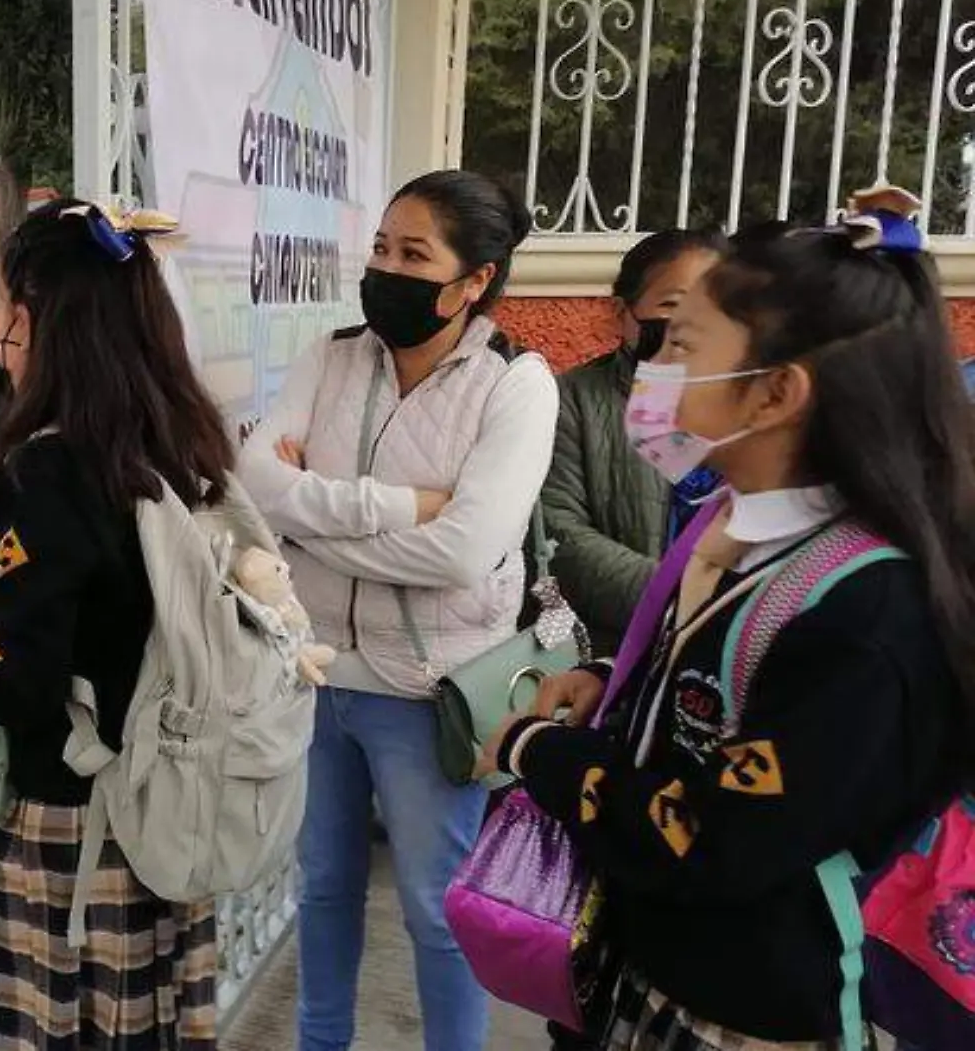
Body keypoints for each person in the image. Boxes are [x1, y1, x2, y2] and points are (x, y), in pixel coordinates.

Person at [493, 199, 971, 1049]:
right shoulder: (744, 531)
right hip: (650, 965)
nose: (654, 368)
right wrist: (615, 692)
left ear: (777, 392)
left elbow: (710, 836)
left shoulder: (863, 612)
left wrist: (537, 755)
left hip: (748, 1014)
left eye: (681, 344)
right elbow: (725, 709)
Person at [238, 170, 558, 1051]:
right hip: (311, 675)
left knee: (434, 908)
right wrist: (403, 506)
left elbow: (465, 552)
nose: (387, 269)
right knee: (325, 886)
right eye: (382, 247)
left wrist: (313, 522)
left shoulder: (515, 383)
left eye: (414, 254)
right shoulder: (333, 356)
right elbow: (255, 487)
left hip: (429, 692)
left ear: (476, 278)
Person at [0, 200, 227, 1049]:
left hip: (78, 827)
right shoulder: (182, 443)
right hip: (168, 810)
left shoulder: (50, 467)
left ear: (30, 321)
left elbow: (18, 683)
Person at [541, 229, 729, 655]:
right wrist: (681, 599)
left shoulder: (748, 403)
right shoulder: (568, 399)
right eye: (673, 305)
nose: (691, 326)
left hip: (723, 646)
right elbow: (559, 533)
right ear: (621, 312)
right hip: (608, 653)